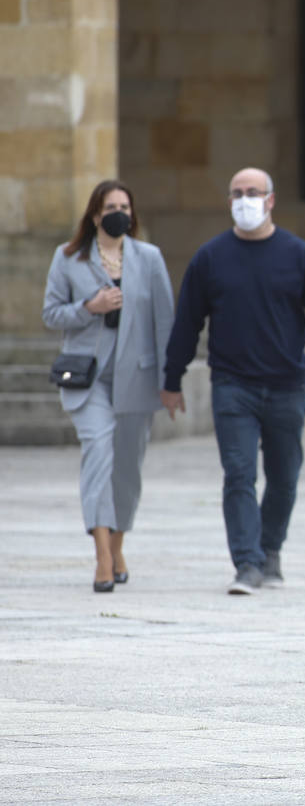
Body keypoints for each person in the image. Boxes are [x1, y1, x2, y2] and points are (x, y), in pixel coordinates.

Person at [162, 167, 305, 595]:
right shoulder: (210, 258)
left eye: (253, 192)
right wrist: (172, 380)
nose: (245, 200)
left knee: (284, 476)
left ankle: (270, 550)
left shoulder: (299, 255)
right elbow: (187, 322)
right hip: (232, 385)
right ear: (229, 201)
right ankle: (246, 563)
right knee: (239, 474)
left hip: (286, 384)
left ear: (270, 199)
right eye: (237, 193)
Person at [42, 180, 175, 592]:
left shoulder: (149, 258)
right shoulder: (68, 258)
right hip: (88, 378)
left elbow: (165, 322)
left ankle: (117, 544)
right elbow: (51, 314)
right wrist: (89, 308)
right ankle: (101, 556)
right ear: (96, 215)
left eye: (125, 206)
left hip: (137, 376)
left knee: (127, 469)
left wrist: (171, 382)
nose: (119, 212)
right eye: (111, 206)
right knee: (98, 454)